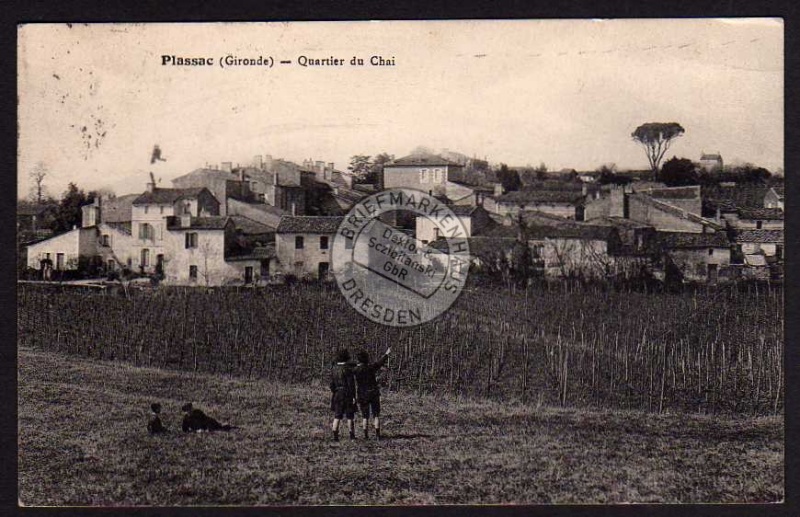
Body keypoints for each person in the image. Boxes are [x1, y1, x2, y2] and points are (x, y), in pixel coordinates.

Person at [354, 347, 391, 440]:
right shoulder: (370, 367)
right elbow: (380, 362)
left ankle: (366, 436)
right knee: (376, 415)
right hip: (373, 392)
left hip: (362, 394)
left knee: (365, 416)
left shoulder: (356, 370)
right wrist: (386, 354)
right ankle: (378, 435)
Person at [329, 349, 357, 441]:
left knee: (337, 415)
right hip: (347, 393)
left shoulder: (333, 369)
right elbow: (351, 384)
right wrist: (353, 396)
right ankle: (352, 436)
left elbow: (331, 384)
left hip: (337, 393)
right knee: (350, 416)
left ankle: (335, 436)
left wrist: (335, 391)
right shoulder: (348, 370)